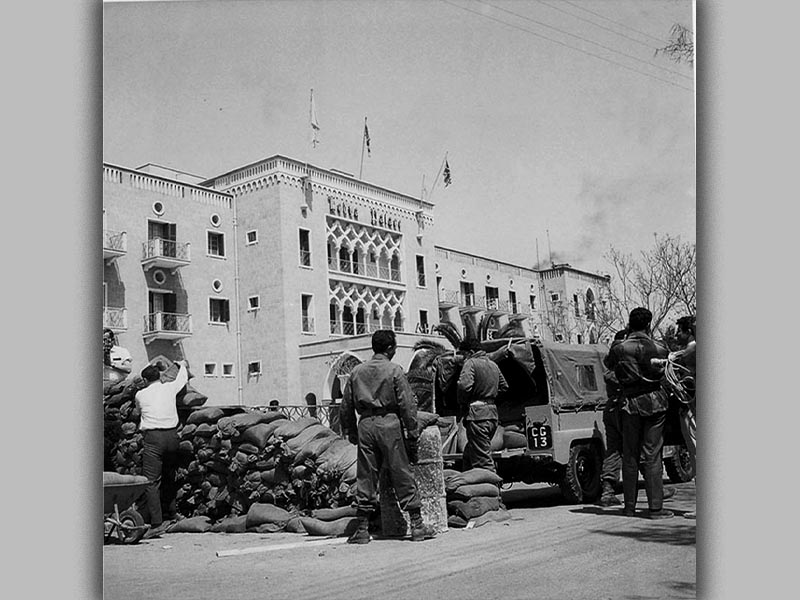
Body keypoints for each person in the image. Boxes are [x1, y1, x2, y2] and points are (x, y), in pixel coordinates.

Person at [340, 329, 433, 544]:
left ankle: (362, 529)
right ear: (390, 348)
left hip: (365, 425)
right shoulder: (394, 370)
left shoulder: (357, 371)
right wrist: (412, 430)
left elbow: (346, 407)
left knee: (366, 475)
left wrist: (352, 432)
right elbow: (407, 403)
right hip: (389, 425)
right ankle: (417, 525)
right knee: (401, 471)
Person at [603, 308, 673, 519]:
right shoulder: (661, 348)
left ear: (629, 324)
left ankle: (629, 507)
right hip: (655, 404)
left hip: (629, 404)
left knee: (630, 454)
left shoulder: (620, 348)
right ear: (649, 325)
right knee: (652, 454)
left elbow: (609, 366)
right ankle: (655, 509)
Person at [135, 359, 189, 538]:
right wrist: (180, 364)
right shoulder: (169, 388)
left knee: (151, 481)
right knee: (169, 476)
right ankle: (172, 513)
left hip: (153, 439)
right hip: (173, 437)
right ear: (160, 377)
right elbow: (182, 377)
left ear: (144, 380)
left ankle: (157, 522)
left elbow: (138, 411)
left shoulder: (140, 395)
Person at [655, 315, 696, 519]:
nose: (677, 334)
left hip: (693, 407)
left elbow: (672, 360)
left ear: (689, 331)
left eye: (680, 330)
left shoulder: (691, 349)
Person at [456, 338, 509, 473]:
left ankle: (493, 490)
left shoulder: (471, 363)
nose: (462, 358)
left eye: (464, 354)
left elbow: (463, 386)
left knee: (483, 459)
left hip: (477, 416)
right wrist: (489, 397)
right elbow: (504, 387)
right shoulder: (493, 365)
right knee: (470, 453)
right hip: (492, 415)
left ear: (471, 352)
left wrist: (465, 402)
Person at [598, 329, 627, 506]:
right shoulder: (623, 365)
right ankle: (655, 491)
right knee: (640, 448)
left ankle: (607, 490)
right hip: (625, 408)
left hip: (611, 408)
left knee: (614, 451)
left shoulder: (610, 364)